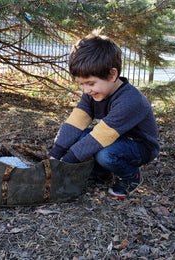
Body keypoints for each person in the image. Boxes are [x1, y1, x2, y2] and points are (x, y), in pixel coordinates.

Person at [49, 32, 159, 198]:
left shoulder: (130, 100)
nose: (86, 90)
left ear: (112, 75)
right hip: (114, 138)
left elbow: (102, 135)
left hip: (139, 146)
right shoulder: (92, 94)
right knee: (80, 138)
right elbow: (75, 122)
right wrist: (56, 154)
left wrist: (67, 162)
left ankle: (131, 177)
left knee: (105, 154)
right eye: (81, 84)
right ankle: (102, 171)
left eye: (90, 83)